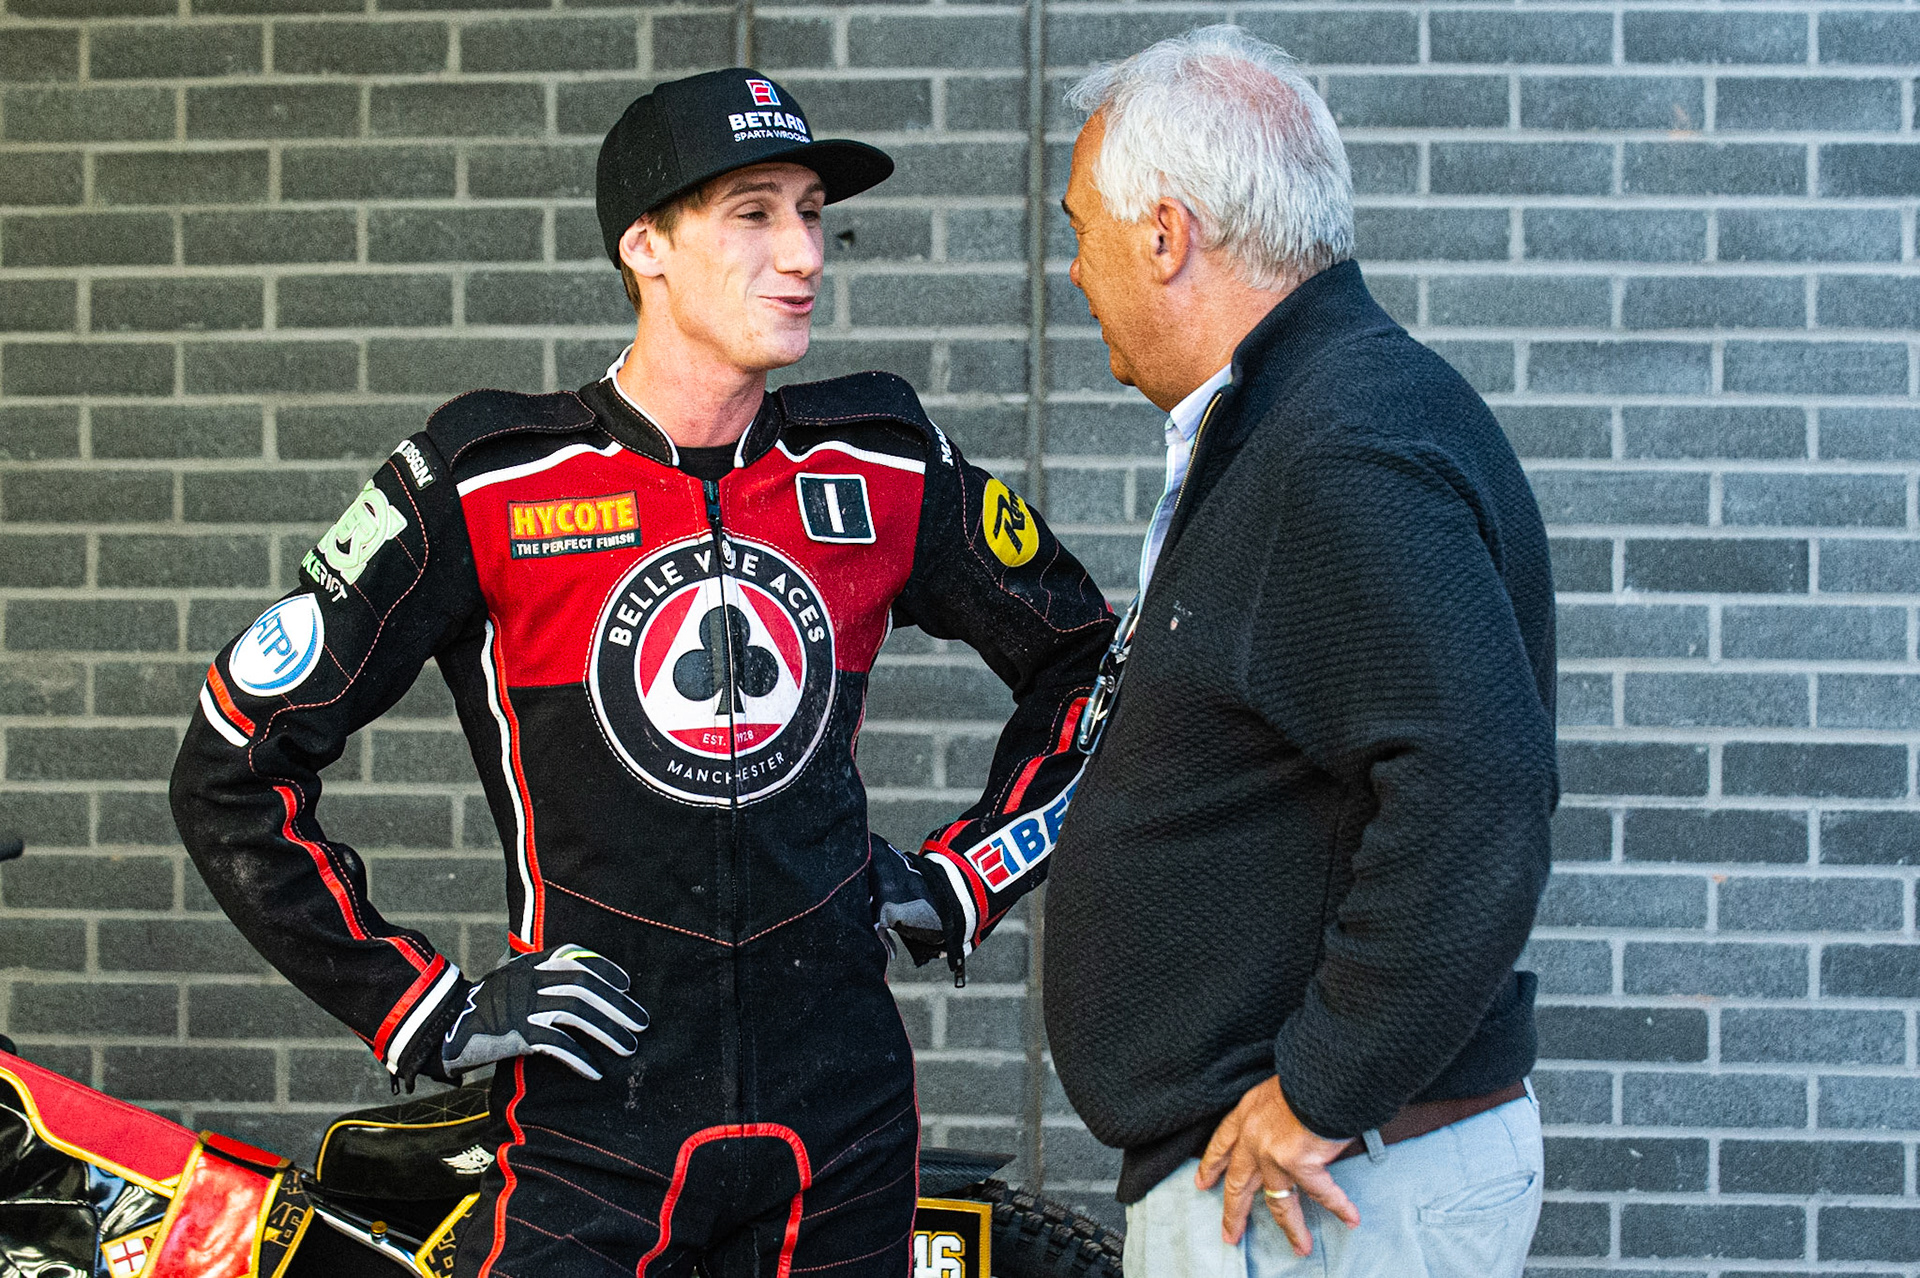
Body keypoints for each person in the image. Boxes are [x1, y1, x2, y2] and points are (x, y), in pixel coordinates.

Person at [170, 67, 1112, 1278]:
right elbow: (232, 769)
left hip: (843, 1129)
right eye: (753, 213)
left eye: (812, 213)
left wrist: (970, 875)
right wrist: (424, 1008)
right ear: (645, 245)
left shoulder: (883, 463)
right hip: (592, 1137)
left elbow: (1095, 671)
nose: (803, 255)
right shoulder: (486, 480)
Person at [1042, 26, 1559, 1278]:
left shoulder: (1337, 446)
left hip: (1317, 1191)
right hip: (1316, 1190)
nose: (1073, 269)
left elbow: (1478, 785)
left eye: (1082, 230)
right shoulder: (1312, 414)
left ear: (1165, 235)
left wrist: (1325, 1085)